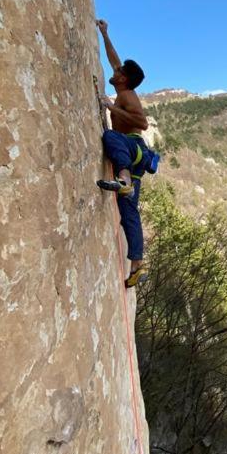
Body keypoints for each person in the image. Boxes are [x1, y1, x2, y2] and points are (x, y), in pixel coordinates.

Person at [95, 18, 156, 288]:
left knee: (110, 136)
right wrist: (105, 33)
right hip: (137, 159)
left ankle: (124, 180)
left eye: (119, 71)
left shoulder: (128, 95)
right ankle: (137, 266)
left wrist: (110, 107)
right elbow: (113, 58)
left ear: (124, 79)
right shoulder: (124, 87)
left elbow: (142, 124)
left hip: (132, 148)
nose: (115, 70)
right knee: (129, 211)